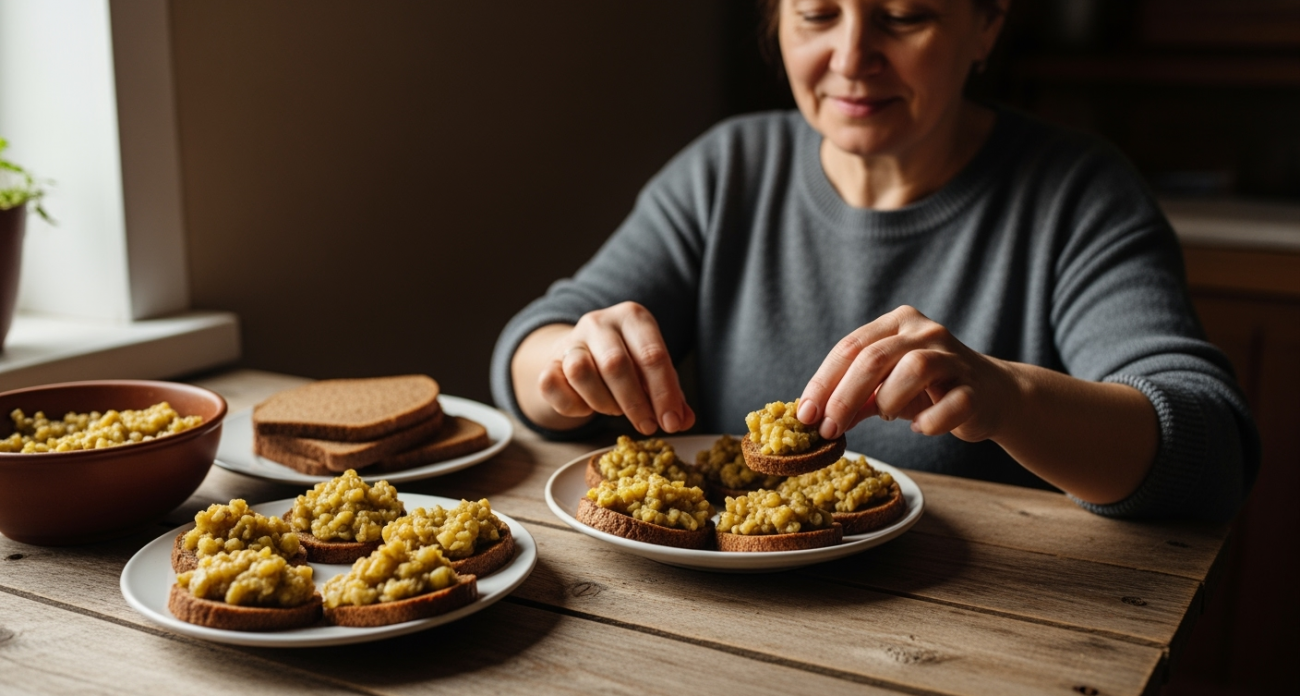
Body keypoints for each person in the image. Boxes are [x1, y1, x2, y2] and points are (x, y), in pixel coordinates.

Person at [490, 0, 1258, 520]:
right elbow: (533, 352)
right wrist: (568, 361)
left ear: (986, 25)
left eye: (903, 16)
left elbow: (1211, 451)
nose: (853, 57)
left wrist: (1009, 400)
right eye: (817, 13)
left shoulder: (1079, 194)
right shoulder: (726, 172)